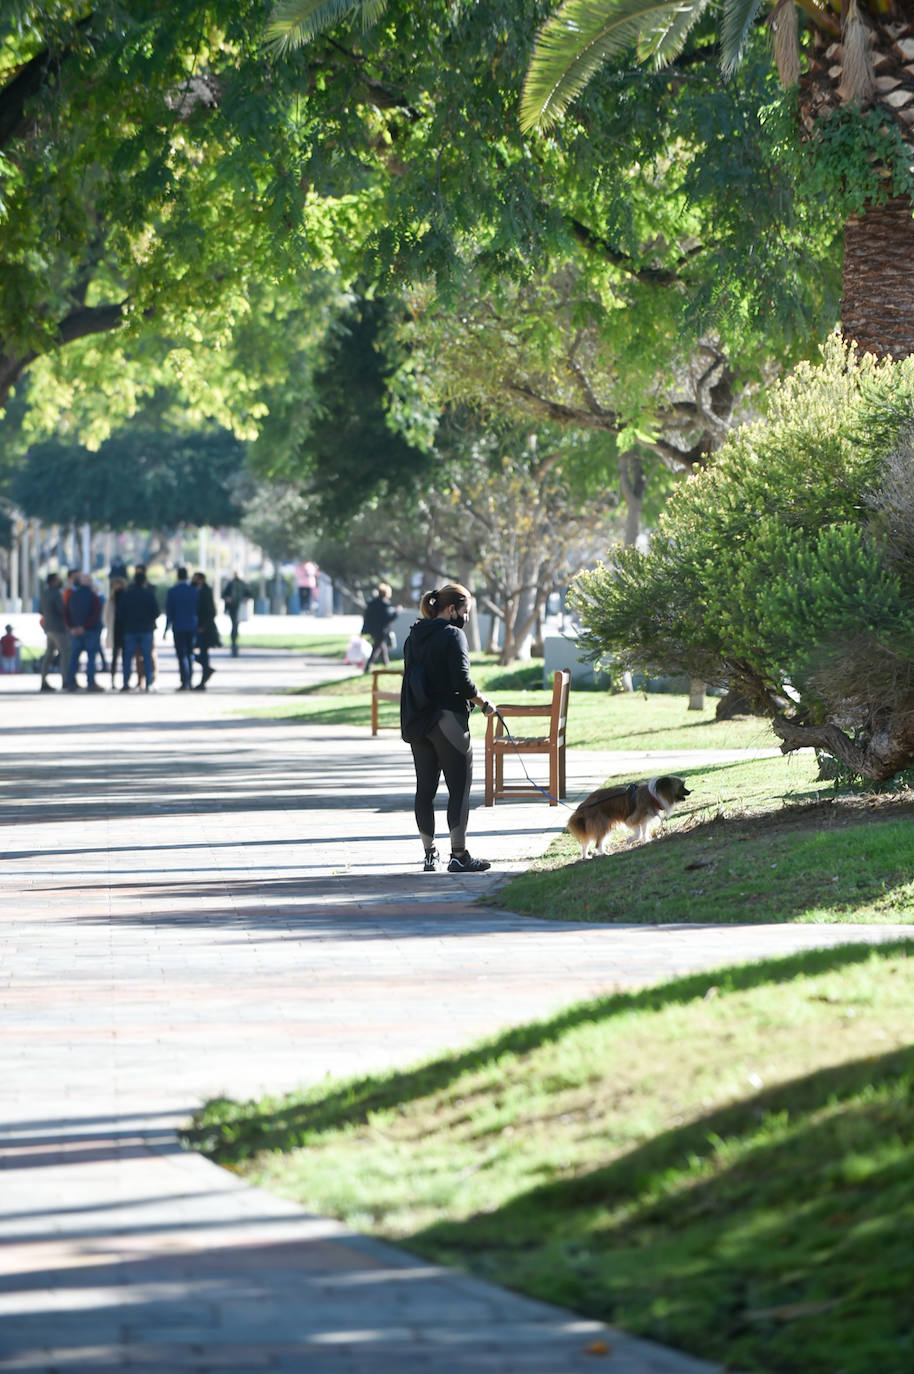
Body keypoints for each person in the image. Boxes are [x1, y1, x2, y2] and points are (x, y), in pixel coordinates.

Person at [400, 582, 496, 875]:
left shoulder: (414, 636)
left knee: (424, 790)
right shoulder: (453, 635)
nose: (465, 618)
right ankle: (458, 855)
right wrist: (484, 703)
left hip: (419, 722)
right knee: (459, 788)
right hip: (448, 720)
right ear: (452, 609)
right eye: (465, 612)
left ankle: (430, 854)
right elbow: (462, 683)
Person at [120, 565, 160, 692]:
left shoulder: (127, 595)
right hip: (146, 630)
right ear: (144, 581)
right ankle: (148, 683)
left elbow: (121, 612)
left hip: (130, 630)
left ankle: (125, 682)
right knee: (147, 657)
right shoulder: (149, 595)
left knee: (128, 658)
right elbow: (156, 612)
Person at [64, 573, 104, 692]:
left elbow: (66, 613)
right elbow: (96, 615)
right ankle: (90, 683)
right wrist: (84, 627)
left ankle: (71, 683)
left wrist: (72, 627)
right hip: (89, 631)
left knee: (74, 658)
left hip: (75, 631)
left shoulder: (72, 595)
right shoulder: (94, 597)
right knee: (90, 658)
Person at [164, 566, 199, 690]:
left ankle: (184, 681)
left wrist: (166, 629)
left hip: (178, 626)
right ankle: (190, 680)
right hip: (192, 626)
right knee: (190, 653)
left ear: (177, 576)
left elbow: (169, 612)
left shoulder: (173, 591)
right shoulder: (194, 591)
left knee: (181, 654)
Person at [39, 573, 71, 691]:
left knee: (48, 655)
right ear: (53, 581)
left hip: (48, 628)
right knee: (65, 654)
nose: (60, 581)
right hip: (58, 628)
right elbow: (62, 610)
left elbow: (41, 610)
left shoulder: (44, 593)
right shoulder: (57, 593)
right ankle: (66, 681)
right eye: (58, 580)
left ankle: (43, 681)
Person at [361, 582, 401, 674]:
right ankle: (368, 666)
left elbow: (366, 617)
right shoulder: (384, 604)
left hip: (372, 629)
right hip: (381, 630)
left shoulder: (372, 603)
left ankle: (386, 664)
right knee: (377, 647)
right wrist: (397, 612)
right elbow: (388, 618)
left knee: (381, 646)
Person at [191, 571, 219, 689]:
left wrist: (203, 626)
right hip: (198, 627)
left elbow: (211, 612)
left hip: (204, 629)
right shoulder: (196, 590)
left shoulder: (205, 592)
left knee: (202, 652)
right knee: (200, 653)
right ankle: (206, 669)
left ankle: (204, 676)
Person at [105, 576, 127, 689]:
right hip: (115, 631)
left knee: (125, 658)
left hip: (125, 631)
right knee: (114, 658)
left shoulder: (126, 597)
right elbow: (106, 616)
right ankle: (113, 680)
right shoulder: (111, 599)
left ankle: (125, 681)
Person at [222, 572, 250, 656]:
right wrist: (228, 599)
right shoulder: (230, 584)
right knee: (234, 624)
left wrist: (245, 599)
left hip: (240, 607)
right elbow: (224, 595)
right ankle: (234, 642)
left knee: (235, 625)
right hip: (232, 607)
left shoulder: (243, 584)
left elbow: (248, 594)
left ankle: (234, 641)